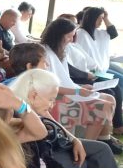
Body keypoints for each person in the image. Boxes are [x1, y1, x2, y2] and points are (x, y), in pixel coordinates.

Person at [41, 18, 121, 151]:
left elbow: (64, 79)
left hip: (65, 91)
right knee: (103, 105)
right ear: (59, 35)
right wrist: (77, 91)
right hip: (53, 97)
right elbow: (48, 86)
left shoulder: (60, 51)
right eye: (69, 36)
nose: (72, 40)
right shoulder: (44, 53)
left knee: (110, 98)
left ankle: (103, 139)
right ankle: (85, 146)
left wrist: (80, 88)